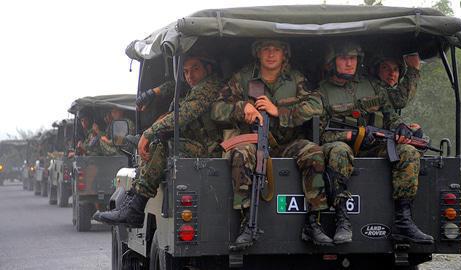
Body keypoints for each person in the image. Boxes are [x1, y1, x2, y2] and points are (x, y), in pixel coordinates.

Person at [211, 39, 330, 249]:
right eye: (266, 49)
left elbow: (316, 105)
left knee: (314, 152)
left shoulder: (296, 79)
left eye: (277, 50)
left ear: (285, 54)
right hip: (254, 142)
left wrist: (280, 112)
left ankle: (314, 222)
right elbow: (216, 108)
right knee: (241, 153)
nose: (271, 54)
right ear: (258, 53)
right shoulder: (243, 78)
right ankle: (247, 221)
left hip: (288, 143)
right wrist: (242, 107)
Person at [318, 41, 434, 244]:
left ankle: (403, 221)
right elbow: (318, 135)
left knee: (407, 151)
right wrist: (349, 136)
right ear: (332, 61)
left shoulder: (371, 85)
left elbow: (389, 114)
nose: (349, 63)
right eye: (344, 58)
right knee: (339, 150)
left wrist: (400, 128)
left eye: (353, 58)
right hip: (340, 147)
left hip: (373, 146)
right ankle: (342, 220)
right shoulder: (321, 92)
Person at [93, 55, 223, 227]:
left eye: (195, 68)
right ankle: (134, 203)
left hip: (212, 148)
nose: (190, 75)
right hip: (202, 144)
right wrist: (153, 93)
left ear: (208, 69)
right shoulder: (196, 85)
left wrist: (149, 133)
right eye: (185, 71)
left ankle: (135, 209)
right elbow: (175, 85)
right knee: (160, 141)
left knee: (161, 145)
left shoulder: (209, 87)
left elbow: (182, 116)